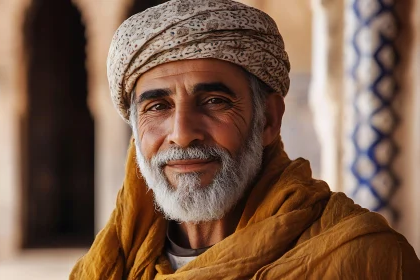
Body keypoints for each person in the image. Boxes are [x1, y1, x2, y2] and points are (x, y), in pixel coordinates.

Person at [70, 0, 420, 278]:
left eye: (214, 102)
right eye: (158, 106)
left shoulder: (361, 258)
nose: (181, 134)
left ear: (268, 119)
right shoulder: (111, 264)